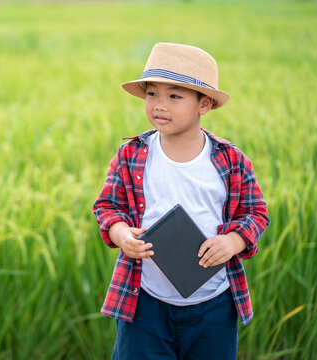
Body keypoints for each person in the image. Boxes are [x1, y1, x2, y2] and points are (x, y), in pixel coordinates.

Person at [92, 42, 270, 360]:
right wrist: (120, 234)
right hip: (143, 302)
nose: (160, 105)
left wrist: (234, 240)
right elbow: (107, 206)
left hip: (213, 305)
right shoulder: (132, 154)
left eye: (174, 95)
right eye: (152, 93)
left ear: (204, 104)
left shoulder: (230, 160)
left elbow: (256, 212)